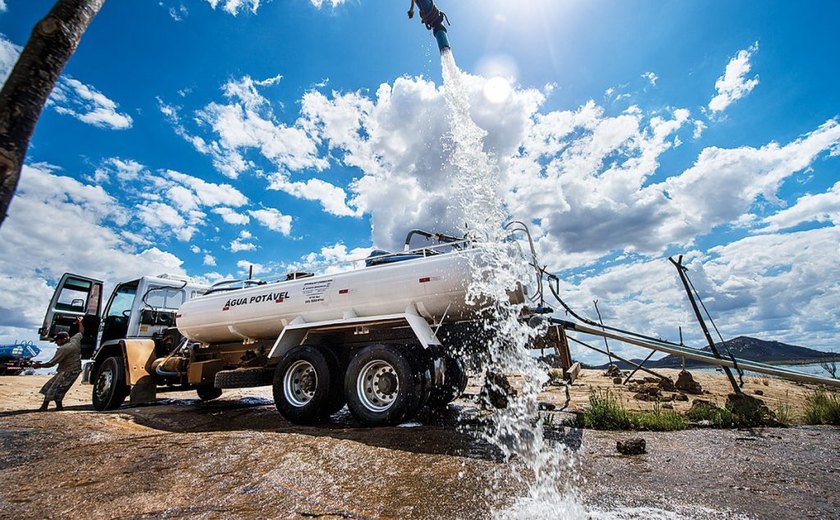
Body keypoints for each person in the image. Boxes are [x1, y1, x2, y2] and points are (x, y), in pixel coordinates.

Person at [33, 317, 84, 411]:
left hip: (69, 371)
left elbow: (51, 364)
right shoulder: (74, 340)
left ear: (64, 339)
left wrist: (39, 365)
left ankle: (44, 407)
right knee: (54, 387)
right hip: (68, 370)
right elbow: (81, 332)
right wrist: (80, 322)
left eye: (57, 341)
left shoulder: (64, 349)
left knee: (54, 389)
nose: (56, 343)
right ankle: (58, 407)